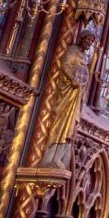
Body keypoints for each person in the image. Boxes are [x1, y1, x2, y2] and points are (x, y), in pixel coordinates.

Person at [40, 29, 96, 170]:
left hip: (76, 95)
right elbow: (65, 65)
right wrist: (72, 79)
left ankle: (59, 157)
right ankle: (51, 157)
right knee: (62, 121)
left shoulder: (84, 56)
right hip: (67, 92)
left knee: (71, 125)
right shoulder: (72, 50)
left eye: (91, 41)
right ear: (81, 38)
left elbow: (85, 75)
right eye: (88, 39)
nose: (89, 42)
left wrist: (95, 59)